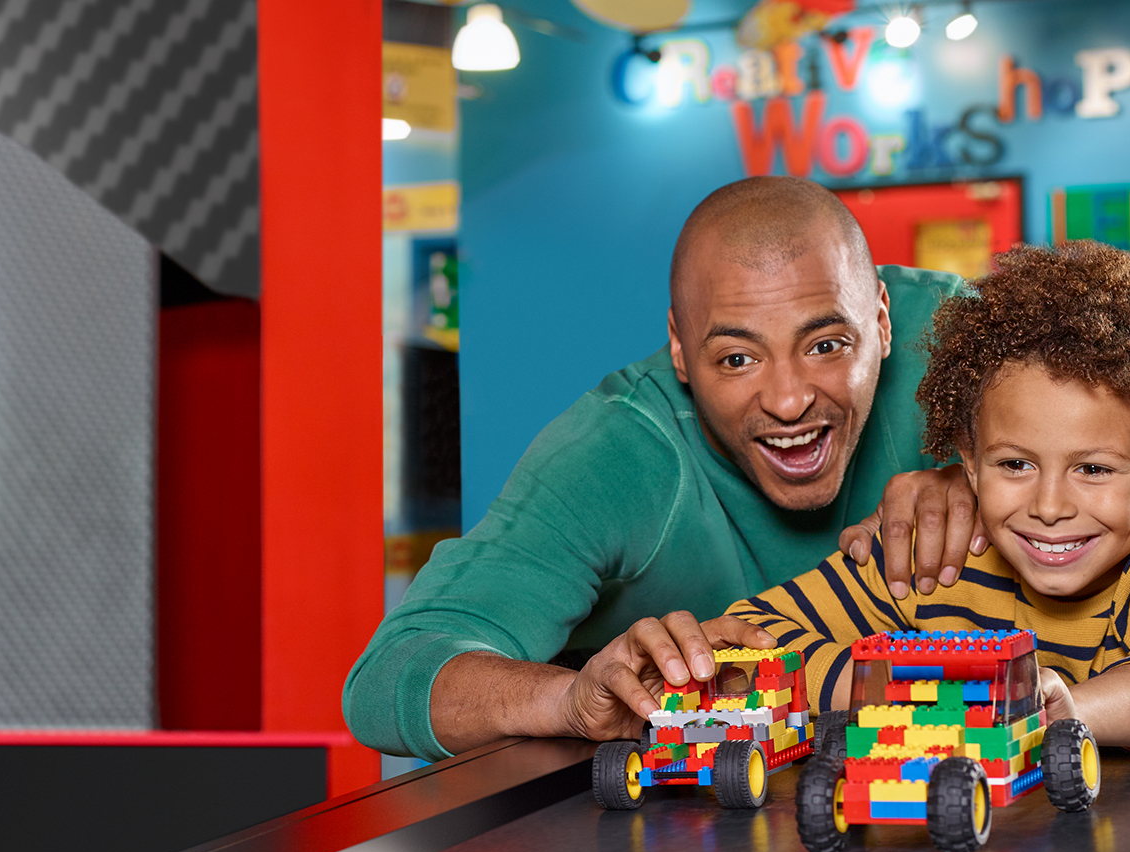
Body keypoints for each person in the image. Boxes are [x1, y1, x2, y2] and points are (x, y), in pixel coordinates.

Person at [344, 177, 983, 761]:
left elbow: (1082, 438)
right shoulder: (616, 452)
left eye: (826, 346)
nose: (789, 401)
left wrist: (994, 473)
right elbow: (388, 677)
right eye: (737, 358)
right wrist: (569, 701)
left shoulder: (961, 341)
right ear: (680, 349)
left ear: (881, 319)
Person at [720, 241, 1130, 752]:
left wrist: (1065, 707)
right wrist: (920, 688)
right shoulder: (937, 551)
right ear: (969, 464)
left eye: (1093, 469)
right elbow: (751, 647)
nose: (1049, 506)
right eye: (1015, 464)